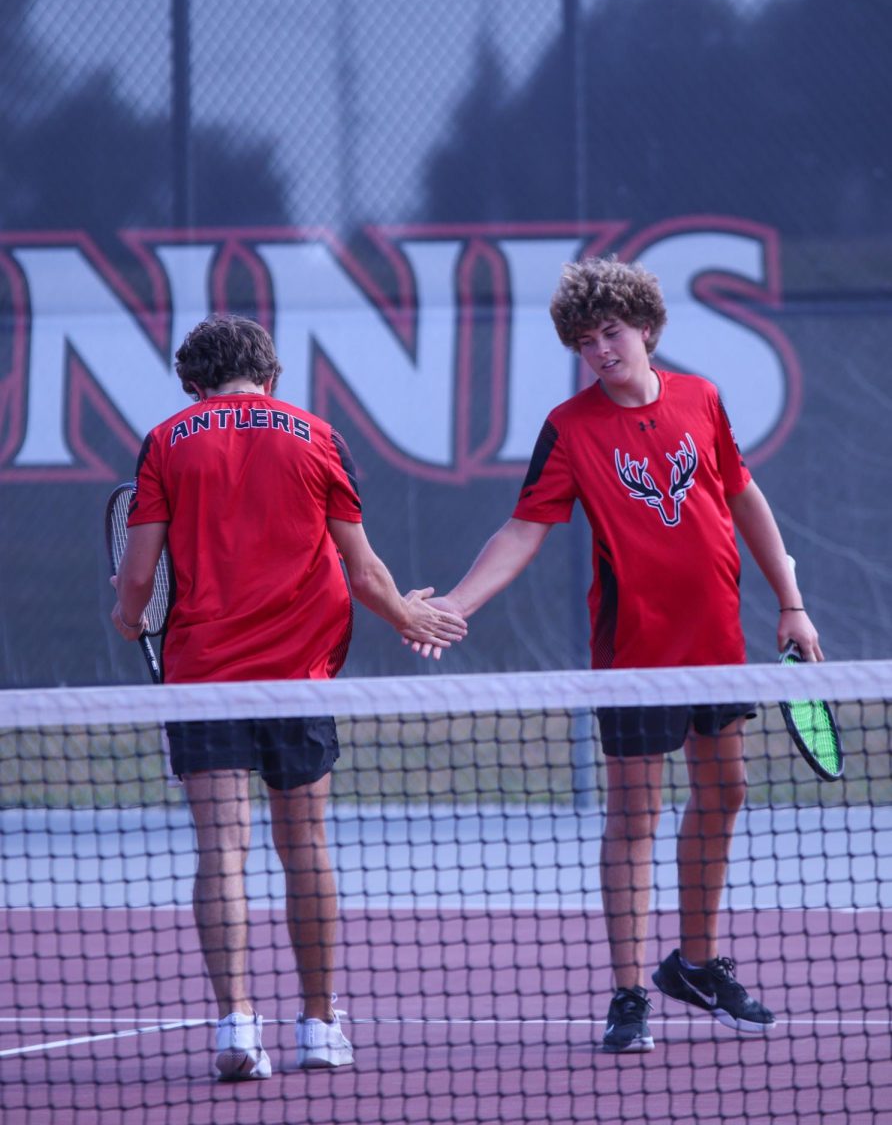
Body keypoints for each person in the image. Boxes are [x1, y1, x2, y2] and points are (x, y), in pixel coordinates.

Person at [412, 257, 821, 1053]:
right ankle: (630, 991)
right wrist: (456, 604)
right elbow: (523, 528)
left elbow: (742, 496)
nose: (602, 349)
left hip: (719, 648)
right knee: (634, 817)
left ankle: (696, 964)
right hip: (634, 653)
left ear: (646, 329)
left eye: (613, 332)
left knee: (727, 793)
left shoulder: (701, 400)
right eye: (586, 340)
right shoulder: (570, 429)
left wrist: (792, 602)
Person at [111, 313, 467, 1080]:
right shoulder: (315, 434)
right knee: (304, 848)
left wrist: (126, 614)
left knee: (222, 853)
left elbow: (138, 577)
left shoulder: (167, 440)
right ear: (271, 378)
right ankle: (316, 1026)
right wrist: (412, 616)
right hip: (297, 679)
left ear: (192, 384)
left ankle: (237, 1026)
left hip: (202, 679)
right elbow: (365, 571)